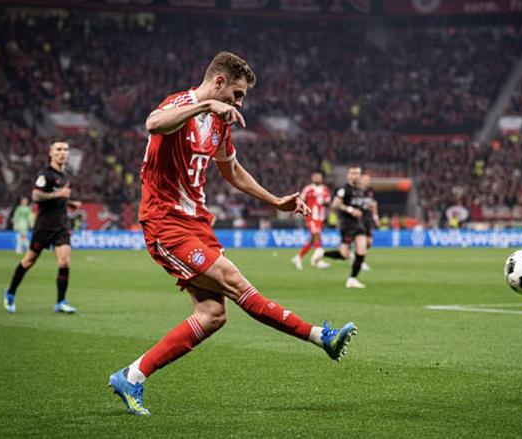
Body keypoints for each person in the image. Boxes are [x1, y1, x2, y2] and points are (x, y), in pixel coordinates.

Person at [108, 52, 357, 416]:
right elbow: (153, 123)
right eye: (237, 94)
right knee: (236, 282)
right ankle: (322, 336)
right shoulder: (182, 104)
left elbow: (232, 169)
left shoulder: (220, 123)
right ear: (219, 82)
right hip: (166, 223)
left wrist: (275, 201)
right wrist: (205, 104)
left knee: (212, 314)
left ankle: (131, 376)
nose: (239, 103)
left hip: (197, 224)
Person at [3, 141, 81, 314]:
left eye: (65, 149)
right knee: (29, 261)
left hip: (61, 226)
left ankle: (61, 302)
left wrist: (69, 203)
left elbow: (57, 198)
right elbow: (36, 195)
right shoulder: (45, 174)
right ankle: (10, 292)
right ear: (51, 153)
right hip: (44, 227)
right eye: (58, 149)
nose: (62, 152)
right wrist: (59, 194)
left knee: (64, 261)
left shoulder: (65, 176)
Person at [317, 165, 369, 289]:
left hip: (359, 224)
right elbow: (335, 204)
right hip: (347, 225)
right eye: (353, 173)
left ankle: (352, 279)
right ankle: (322, 253)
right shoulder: (343, 189)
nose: (356, 176)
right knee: (344, 254)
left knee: (362, 251)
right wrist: (350, 210)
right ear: (348, 175)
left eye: (358, 173)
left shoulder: (360, 191)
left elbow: (361, 206)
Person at [291, 171, 331, 270]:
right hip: (311, 216)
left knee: (312, 239)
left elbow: (328, 201)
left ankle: (299, 257)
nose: (317, 178)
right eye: (316, 177)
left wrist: (325, 202)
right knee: (316, 234)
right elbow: (301, 200)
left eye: (319, 177)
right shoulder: (308, 189)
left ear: (322, 178)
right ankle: (318, 255)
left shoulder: (325, 189)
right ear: (312, 178)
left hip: (320, 217)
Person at [357, 173, 379, 272]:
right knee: (361, 240)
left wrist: (375, 217)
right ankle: (360, 261)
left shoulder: (371, 191)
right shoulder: (356, 191)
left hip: (368, 218)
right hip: (359, 218)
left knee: (369, 242)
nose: (367, 182)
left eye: (368, 180)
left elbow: (374, 204)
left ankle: (358, 256)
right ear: (360, 180)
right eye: (365, 179)